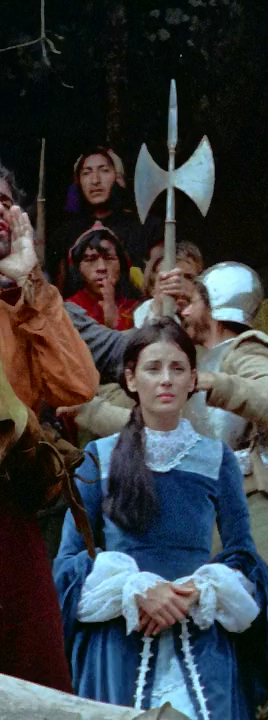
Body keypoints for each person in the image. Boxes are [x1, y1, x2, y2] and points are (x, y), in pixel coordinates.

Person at [65, 262, 268, 720]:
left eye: (192, 301)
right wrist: (87, 408)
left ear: (218, 307)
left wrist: (214, 382)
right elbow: (142, 425)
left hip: (252, 485)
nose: (184, 310)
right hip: (179, 498)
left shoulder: (245, 349)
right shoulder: (166, 361)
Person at [54, 318, 268, 718]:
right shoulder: (97, 458)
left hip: (200, 635)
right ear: (131, 378)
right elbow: (69, 564)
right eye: (153, 368)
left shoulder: (216, 459)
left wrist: (196, 591)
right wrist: (134, 590)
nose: (166, 380)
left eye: (177, 369)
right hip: (119, 639)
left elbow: (243, 557)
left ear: (193, 379)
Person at [0, 195, 98, 692]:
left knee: (38, 677)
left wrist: (32, 282)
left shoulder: (21, 306)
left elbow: (77, 385)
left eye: (2, 204)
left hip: (9, 515)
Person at [50, 146, 162, 289]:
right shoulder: (66, 234)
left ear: (118, 178)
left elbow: (158, 282)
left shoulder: (147, 227)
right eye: (86, 173)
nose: (95, 180)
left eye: (104, 170)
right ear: (78, 182)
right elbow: (59, 292)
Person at [64, 221, 141, 330]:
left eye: (109, 258)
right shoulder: (70, 309)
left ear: (122, 265)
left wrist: (114, 320)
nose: (101, 267)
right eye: (91, 260)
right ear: (78, 268)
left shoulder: (138, 310)